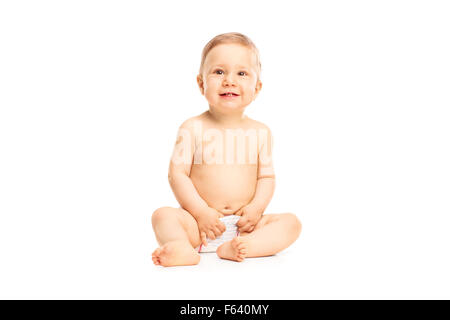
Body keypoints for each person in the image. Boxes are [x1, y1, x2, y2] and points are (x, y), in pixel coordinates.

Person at [151, 32, 302, 267]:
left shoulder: (261, 132)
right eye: (219, 72)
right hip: (199, 226)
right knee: (162, 216)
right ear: (201, 83)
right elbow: (177, 175)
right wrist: (201, 213)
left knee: (291, 223)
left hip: (245, 226)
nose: (229, 80)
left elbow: (267, 177)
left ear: (257, 87)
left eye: (241, 73)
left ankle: (245, 248)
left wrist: (256, 209)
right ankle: (183, 248)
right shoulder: (192, 128)